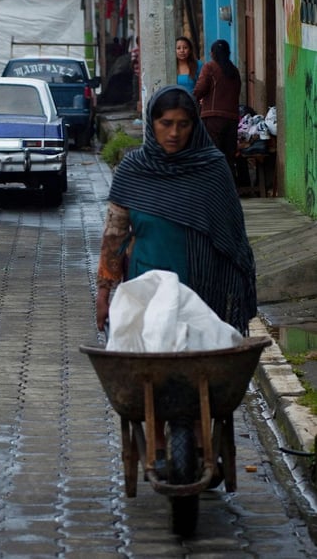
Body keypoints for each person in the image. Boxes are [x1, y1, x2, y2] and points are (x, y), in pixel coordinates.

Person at [96, 85, 257, 468]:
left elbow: (232, 235)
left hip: (204, 288)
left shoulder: (212, 168)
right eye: (165, 123)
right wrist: (105, 290)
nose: (173, 132)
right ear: (152, 125)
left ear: (193, 126)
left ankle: (201, 442)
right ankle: (157, 446)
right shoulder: (134, 169)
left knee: (198, 367)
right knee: (152, 368)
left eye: (183, 124)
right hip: (148, 285)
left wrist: (237, 286)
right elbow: (115, 235)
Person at [193, 39, 241, 179]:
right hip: (232, 118)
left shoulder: (210, 67)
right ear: (228, 53)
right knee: (228, 156)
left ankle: (215, 187)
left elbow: (200, 89)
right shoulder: (234, 71)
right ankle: (230, 188)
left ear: (212, 53)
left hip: (213, 118)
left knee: (213, 153)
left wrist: (190, 100)